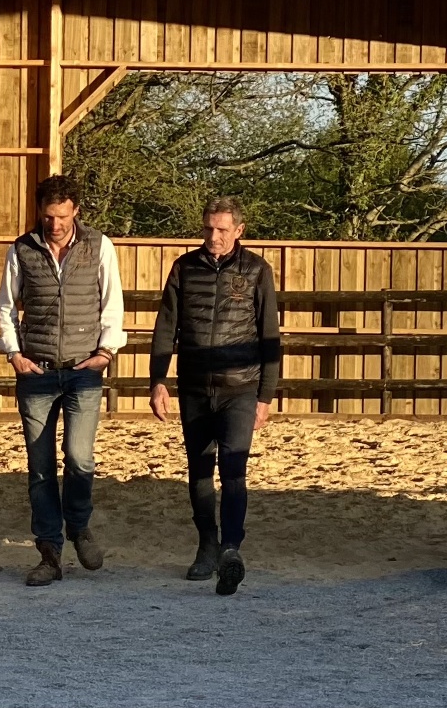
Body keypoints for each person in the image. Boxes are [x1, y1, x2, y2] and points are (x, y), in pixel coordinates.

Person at [0, 174, 126, 586]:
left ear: (76, 211)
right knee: (39, 467)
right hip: (36, 372)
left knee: (80, 458)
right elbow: (5, 306)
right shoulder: (22, 249)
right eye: (48, 217)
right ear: (40, 213)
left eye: (62, 216)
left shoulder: (99, 245)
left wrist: (106, 352)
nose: (55, 224)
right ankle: (49, 551)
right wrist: (13, 353)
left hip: (83, 371)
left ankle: (80, 526)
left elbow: (112, 302)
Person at [149, 196, 280, 596]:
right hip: (193, 387)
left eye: (222, 229)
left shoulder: (257, 270)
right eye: (208, 228)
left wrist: (266, 395)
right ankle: (206, 544)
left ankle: (230, 550)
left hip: (240, 387)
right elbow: (165, 325)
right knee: (200, 469)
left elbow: (270, 335)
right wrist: (157, 380)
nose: (214, 236)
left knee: (234, 468)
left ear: (239, 231)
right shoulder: (184, 268)